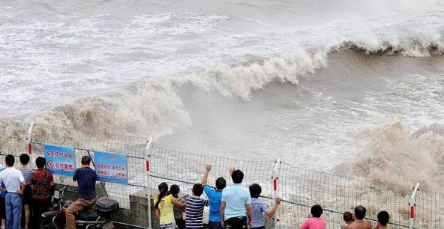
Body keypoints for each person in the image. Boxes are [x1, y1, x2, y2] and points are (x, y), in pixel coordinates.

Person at [65, 156, 98, 229]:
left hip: (83, 201)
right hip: (93, 199)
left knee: (68, 211)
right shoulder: (93, 172)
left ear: (81, 162)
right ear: (89, 163)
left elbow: (74, 179)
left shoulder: (78, 171)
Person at [0, 155, 25, 229]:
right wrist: (22, 191)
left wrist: (3, 190)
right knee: (16, 215)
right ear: (14, 162)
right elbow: (24, 183)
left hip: (7, 194)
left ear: (5, 162)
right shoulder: (17, 172)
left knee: (8, 214)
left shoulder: (2, 172)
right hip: (16, 194)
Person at [29, 157, 54, 229]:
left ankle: (35, 226)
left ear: (36, 164)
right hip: (46, 198)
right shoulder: (49, 174)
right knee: (45, 213)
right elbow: (52, 184)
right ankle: (44, 226)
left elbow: (31, 184)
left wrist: (34, 191)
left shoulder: (34, 174)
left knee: (35, 213)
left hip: (36, 198)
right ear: (44, 164)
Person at [201, 164, 226, 229]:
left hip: (211, 220)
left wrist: (207, 170)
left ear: (216, 185)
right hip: (220, 221)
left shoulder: (211, 192)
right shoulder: (225, 195)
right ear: (225, 186)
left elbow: (203, 183)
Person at [18, 154, 32, 229]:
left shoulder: (17, 169)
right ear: (28, 160)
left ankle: (19, 225)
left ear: (20, 160)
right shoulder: (30, 170)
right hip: (27, 189)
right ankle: (26, 225)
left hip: (19, 188)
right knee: (27, 208)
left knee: (19, 207)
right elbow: (31, 181)